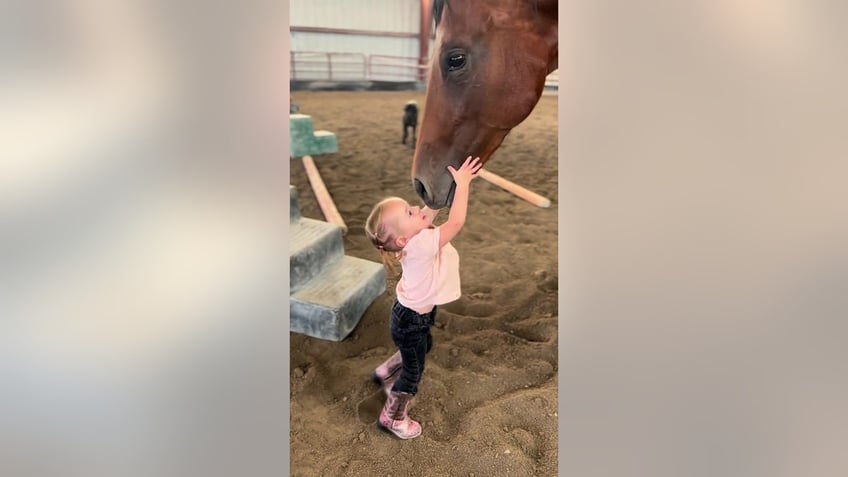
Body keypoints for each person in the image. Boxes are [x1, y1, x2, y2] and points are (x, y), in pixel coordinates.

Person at [364, 155, 482, 440]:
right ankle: (392, 417)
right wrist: (463, 185)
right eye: (408, 213)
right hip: (411, 319)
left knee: (422, 345)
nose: (416, 209)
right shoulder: (420, 246)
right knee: (413, 373)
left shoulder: (411, 239)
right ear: (403, 238)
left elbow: (429, 214)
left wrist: (445, 186)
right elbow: (456, 222)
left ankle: (385, 371)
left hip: (410, 313)